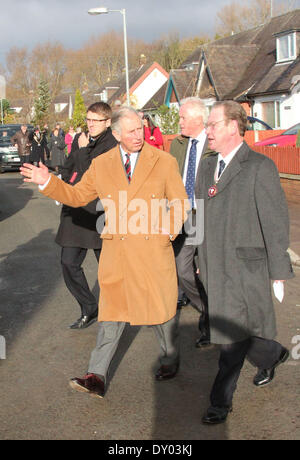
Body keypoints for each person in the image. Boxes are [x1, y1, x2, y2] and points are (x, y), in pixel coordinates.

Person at [20, 106, 188, 399]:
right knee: (112, 314)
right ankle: (96, 376)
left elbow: (181, 203)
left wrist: (167, 233)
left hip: (151, 250)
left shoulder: (163, 161)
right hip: (118, 251)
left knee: (159, 314)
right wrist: (48, 182)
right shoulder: (102, 164)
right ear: (117, 133)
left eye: (141, 129)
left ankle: (170, 357)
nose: (140, 135)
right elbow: (76, 196)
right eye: (132, 130)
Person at [195, 100, 294, 424]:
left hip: (245, 267)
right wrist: (197, 255)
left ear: (234, 127)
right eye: (207, 125)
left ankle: (219, 402)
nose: (207, 131)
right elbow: (199, 215)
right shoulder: (207, 166)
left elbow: (275, 223)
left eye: (213, 124)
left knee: (230, 339)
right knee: (242, 332)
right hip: (214, 264)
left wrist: (278, 272)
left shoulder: (258, 167)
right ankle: (272, 354)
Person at [57, 102, 117, 329]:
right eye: (88, 120)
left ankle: (118, 310)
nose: (90, 124)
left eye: (96, 120)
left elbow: (94, 175)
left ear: (108, 122)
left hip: (101, 215)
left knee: (110, 270)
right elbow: (68, 167)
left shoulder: (111, 145)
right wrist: (62, 183)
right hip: (76, 213)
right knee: (68, 263)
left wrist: (82, 152)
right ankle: (89, 307)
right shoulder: (82, 140)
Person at [170, 97, 214, 348]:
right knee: (183, 269)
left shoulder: (214, 142)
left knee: (208, 273)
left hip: (208, 215)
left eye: (183, 117)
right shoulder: (178, 144)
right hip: (184, 215)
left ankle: (210, 325)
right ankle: (207, 310)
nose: (180, 122)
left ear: (199, 119)